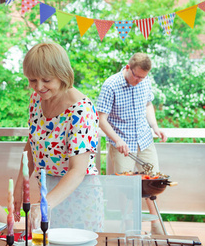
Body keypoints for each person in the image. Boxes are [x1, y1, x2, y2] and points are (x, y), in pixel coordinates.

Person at [12, 43, 103, 231]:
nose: (38, 86)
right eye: (32, 80)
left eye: (46, 79)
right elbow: (32, 144)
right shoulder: (37, 99)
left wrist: (44, 205)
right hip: (46, 189)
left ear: (62, 75)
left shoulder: (82, 109)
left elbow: (77, 170)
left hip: (79, 196)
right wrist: (20, 187)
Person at [96, 52, 167, 234]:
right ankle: (129, 230)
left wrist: (155, 127)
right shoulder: (110, 85)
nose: (139, 81)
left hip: (144, 139)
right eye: (136, 76)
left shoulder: (144, 81)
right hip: (121, 142)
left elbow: (147, 105)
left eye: (143, 77)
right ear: (128, 68)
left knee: (154, 182)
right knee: (126, 188)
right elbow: (101, 119)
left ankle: (156, 227)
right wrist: (117, 140)